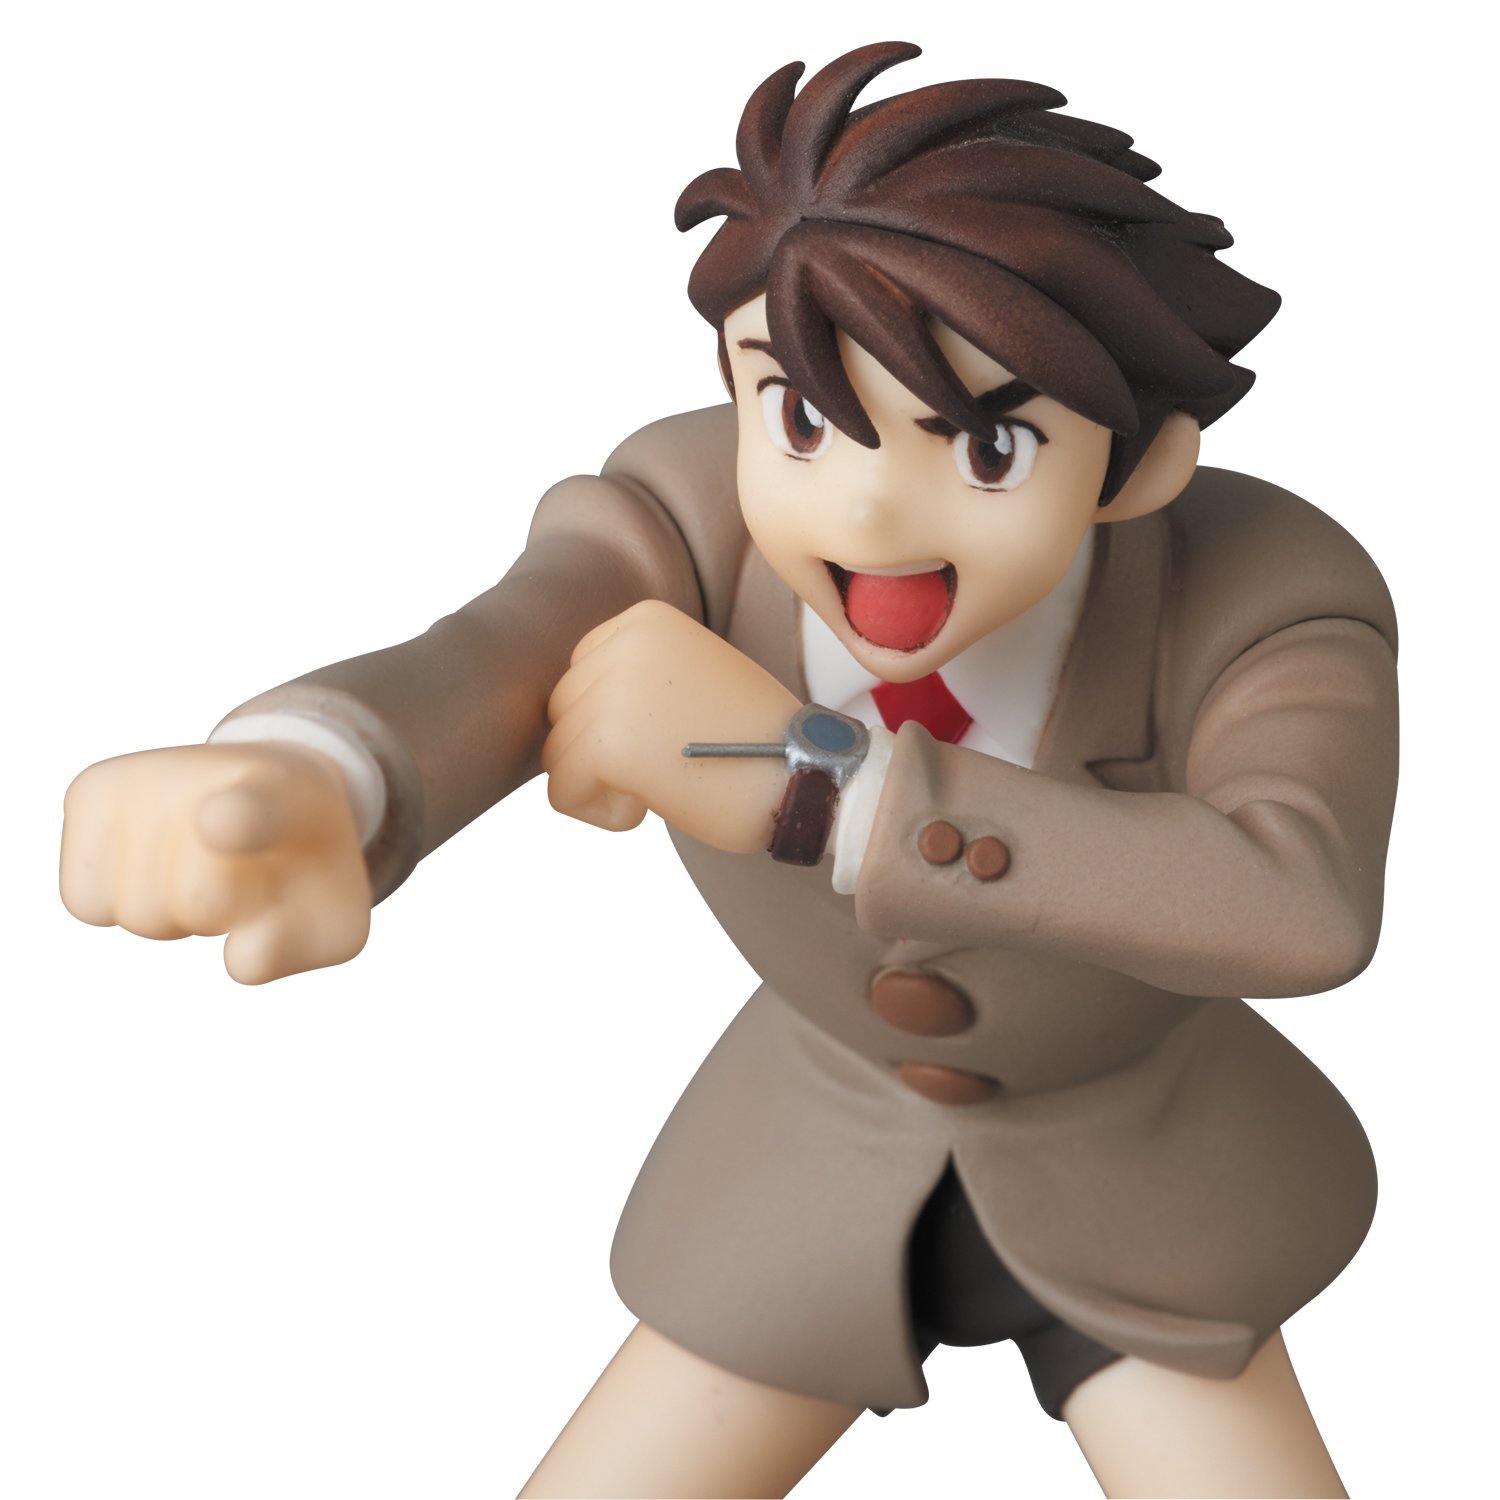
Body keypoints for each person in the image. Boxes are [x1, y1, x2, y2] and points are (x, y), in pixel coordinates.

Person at [61, 42, 1396, 1498]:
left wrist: (818, 792)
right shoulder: (687, 517)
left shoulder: (1266, 595)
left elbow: (1301, 897)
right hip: (805, 1159)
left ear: (1141, 466)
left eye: (989, 445)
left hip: (1156, 1179)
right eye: (804, 418)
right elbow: (501, 648)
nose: (869, 511)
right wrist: (317, 766)